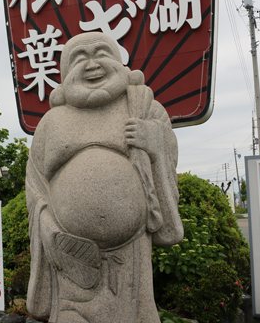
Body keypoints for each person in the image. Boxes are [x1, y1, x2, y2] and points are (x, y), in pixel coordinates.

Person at [26, 32, 183, 323]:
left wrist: (154, 143)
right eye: (79, 58)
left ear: (120, 63)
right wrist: (48, 228)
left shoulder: (143, 108)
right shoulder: (51, 124)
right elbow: (36, 188)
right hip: (72, 259)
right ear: (64, 74)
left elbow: (167, 163)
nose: (91, 64)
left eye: (100, 53)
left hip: (131, 257)